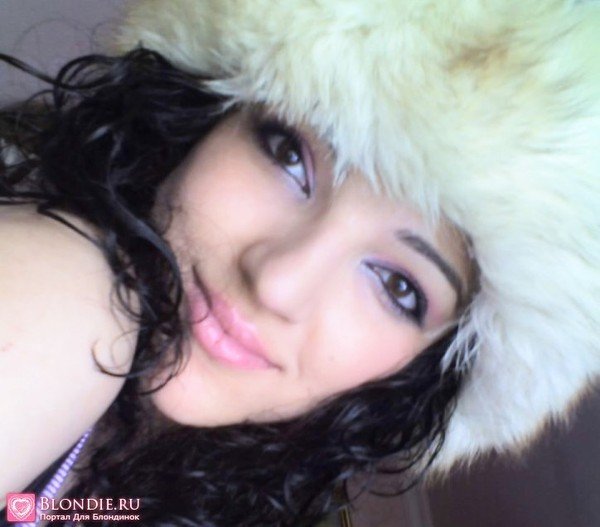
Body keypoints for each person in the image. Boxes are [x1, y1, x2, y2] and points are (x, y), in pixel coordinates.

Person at [1, 0, 598, 525]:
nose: (276, 284)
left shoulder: (159, 480)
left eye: (397, 286)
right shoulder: (67, 287)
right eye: (288, 155)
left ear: (426, 368)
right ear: (204, 117)